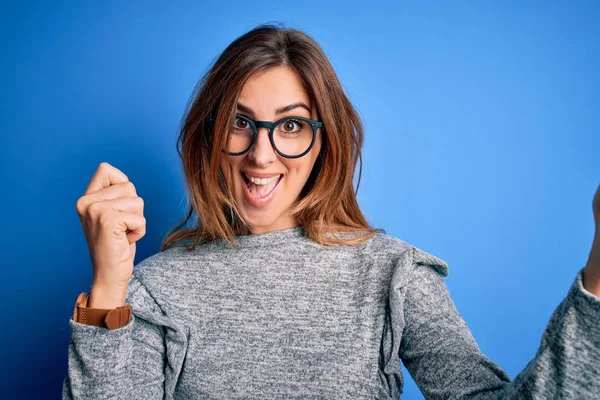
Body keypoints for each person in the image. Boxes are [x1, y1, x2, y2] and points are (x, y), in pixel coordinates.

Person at [62, 23, 600, 399]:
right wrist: (109, 285)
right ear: (209, 132)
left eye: (291, 125)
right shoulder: (155, 290)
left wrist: (597, 283)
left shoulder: (392, 274)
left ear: (326, 141)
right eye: (240, 121)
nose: (261, 153)